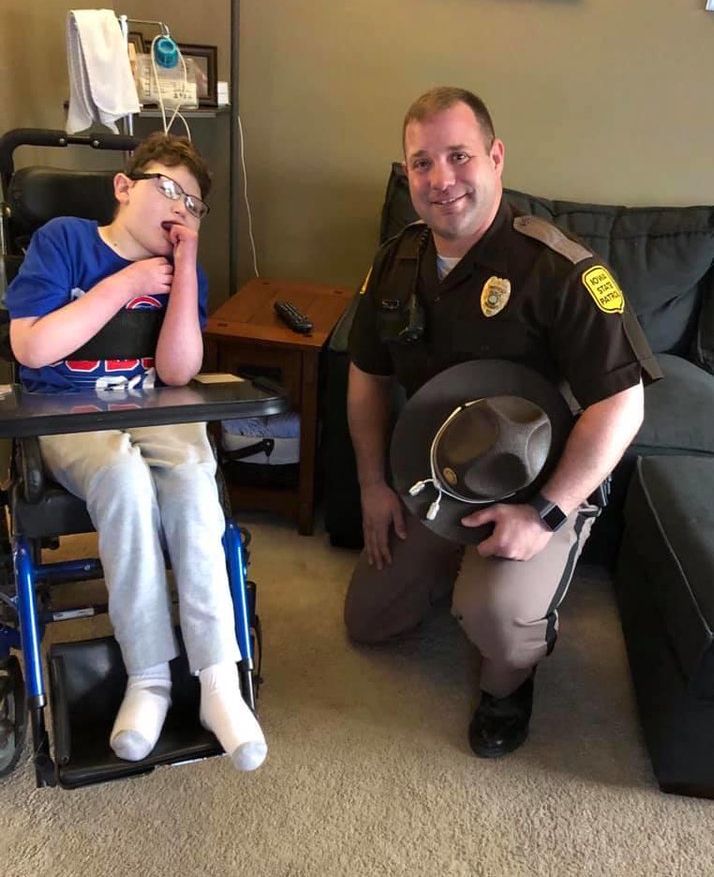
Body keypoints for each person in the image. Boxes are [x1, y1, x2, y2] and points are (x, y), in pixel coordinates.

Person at [344, 86, 661, 758]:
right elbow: (368, 374)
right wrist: (373, 486)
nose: (441, 179)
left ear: (495, 157)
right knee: (369, 623)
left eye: (458, 156)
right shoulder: (395, 260)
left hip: (537, 485)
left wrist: (546, 513)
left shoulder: (558, 269)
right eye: (422, 163)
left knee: (495, 616)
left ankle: (509, 678)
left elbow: (622, 402)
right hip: (438, 477)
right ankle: (465, 563)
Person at [6, 132, 267, 771]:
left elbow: (178, 372)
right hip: (64, 414)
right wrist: (125, 284)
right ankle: (148, 676)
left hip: (153, 409)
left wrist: (182, 276)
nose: (182, 209)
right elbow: (33, 350)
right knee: (123, 476)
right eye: (169, 190)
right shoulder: (64, 241)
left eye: (196, 205)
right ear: (125, 187)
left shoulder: (184, 272)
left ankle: (216, 679)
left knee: (191, 471)